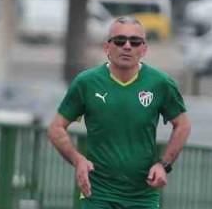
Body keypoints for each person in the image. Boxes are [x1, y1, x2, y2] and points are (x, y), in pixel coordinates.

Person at [48, 16, 193, 209]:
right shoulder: (86, 83)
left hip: (142, 197)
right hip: (97, 194)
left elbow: (183, 125)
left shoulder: (161, 84)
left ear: (144, 49)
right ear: (107, 47)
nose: (127, 46)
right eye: (119, 41)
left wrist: (163, 164)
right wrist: (78, 160)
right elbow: (56, 127)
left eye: (135, 42)